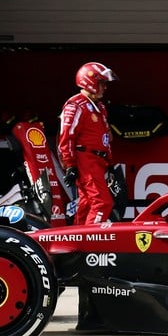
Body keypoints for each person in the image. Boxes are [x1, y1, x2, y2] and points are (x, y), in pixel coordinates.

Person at [57, 61, 118, 224]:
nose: (105, 87)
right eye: (102, 83)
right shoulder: (75, 105)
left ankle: (76, 242)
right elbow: (66, 136)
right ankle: (90, 243)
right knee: (102, 203)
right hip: (86, 161)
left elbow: (106, 137)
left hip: (98, 162)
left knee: (86, 204)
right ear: (90, 82)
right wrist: (70, 165)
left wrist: (110, 163)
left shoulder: (100, 107)